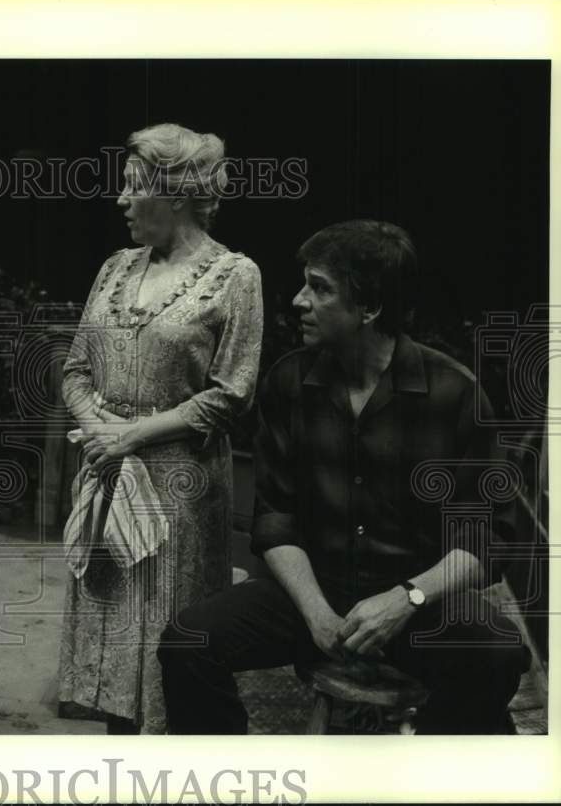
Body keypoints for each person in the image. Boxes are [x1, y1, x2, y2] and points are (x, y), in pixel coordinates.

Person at [158, 219, 530, 734]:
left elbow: (491, 536)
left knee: (499, 654)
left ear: (370, 308)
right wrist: (314, 612)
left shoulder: (455, 394)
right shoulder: (289, 381)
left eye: (320, 287)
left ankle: (431, 775)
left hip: (414, 603)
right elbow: (276, 519)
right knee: (187, 641)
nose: (298, 300)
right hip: (314, 592)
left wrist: (406, 599)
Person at [57, 123, 264, 734]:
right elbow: (74, 368)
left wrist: (133, 437)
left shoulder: (235, 275)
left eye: (132, 187)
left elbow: (231, 395)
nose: (120, 201)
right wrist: (100, 430)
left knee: (169, 645)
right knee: (111, 635)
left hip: (178, 488)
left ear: (175, 194)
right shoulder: (115, 267)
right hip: (107, 469)